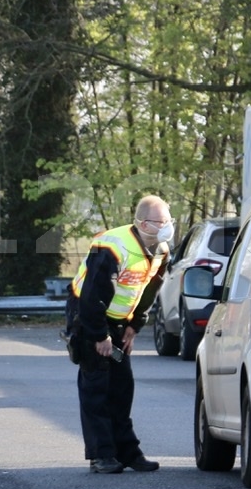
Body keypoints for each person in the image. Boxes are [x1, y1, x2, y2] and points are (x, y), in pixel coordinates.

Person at [65, 195, 174, 474]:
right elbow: (92, 295)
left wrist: (133, 327)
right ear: (141, 223)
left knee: (122, 387)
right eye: (160, 222)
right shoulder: (113, 246)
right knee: (97, 387)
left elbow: (149, 290)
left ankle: (127, 451)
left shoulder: (161, 250)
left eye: (169, 221)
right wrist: (100, 336)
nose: (166, 227)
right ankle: (101, 455)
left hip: (119, 321)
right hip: (89, 317)